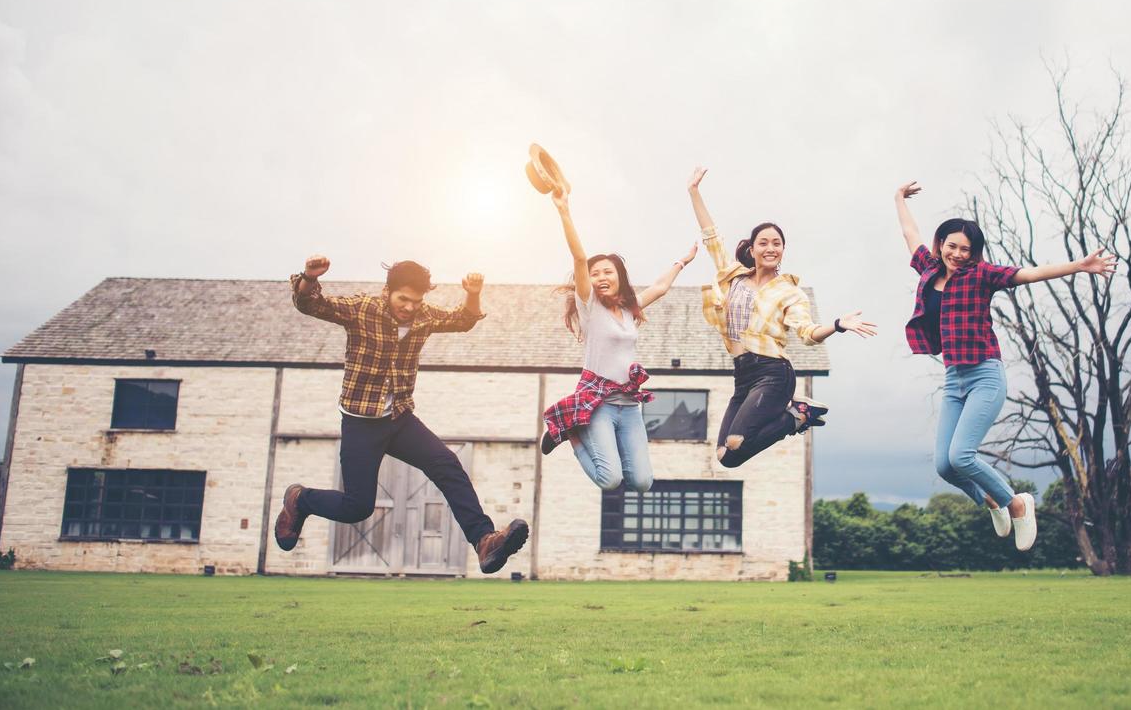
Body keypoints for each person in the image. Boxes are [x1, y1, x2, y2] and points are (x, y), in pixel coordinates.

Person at [893, 181, 1118, 551]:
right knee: (945, 466)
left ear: (974, 253)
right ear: (941, 245)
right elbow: (909, 232)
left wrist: (1079, 266)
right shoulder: (928, 269)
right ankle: (993, 501)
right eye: (952, 246)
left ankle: (1017, 503)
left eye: (966, 249)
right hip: (954, 379)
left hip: (985, 374)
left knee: (962, 455)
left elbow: (1030, 273)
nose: (958, 254)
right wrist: (899, 198)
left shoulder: (982, 276)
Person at [273, 256, 529, 574]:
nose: (408, 307)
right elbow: (312, 305)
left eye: (415, 301)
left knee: (447, 463)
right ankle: (301, 500)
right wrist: (309, 278)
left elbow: (463, 320)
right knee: (358, 507)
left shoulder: (424, 316)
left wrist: (473, 293)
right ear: (388, 291)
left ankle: (484, 540)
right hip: (361, 421)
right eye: (402, 299)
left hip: (399, 418)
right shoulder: (363, 308)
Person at [688, 167, 877, 467]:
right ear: (752, 249)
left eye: (777, 243)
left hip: (773, 374)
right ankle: (796, 416)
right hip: (743, 376)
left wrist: (838, 325)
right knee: (726, 457)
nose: (770, 248)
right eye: (763, 242)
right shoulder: (734, 277)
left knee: (738, 441)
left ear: (783, 251)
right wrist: (694, 192)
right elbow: (712, 237)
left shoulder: (789, 292)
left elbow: (807, 332)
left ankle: (797, 417)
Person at [539, 187, 698, 491]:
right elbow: (579, 256)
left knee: (642, 482)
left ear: (619, 276)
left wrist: (683, 261)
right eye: (595, 273)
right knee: (610, 480)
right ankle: (570, 432)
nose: (600, 277)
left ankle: (580, 431)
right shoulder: (590, 308)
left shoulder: (629, 309)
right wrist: (563, 210)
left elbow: (661, 287)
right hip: (599, 405)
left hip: (629, 405)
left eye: (606, 272)